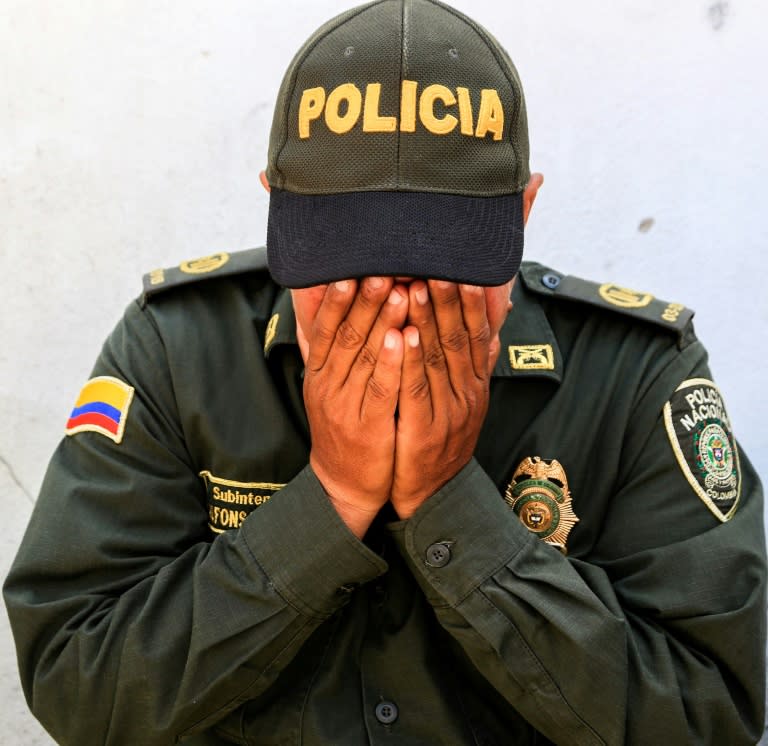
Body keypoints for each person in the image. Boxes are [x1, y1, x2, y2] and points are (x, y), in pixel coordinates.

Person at [4, 0, 766, 743]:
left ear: (523, 211)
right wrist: (330, 500)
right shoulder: (178, 349)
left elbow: (712, 713)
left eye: (447, 261)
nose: (398, 304)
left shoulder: (632, 373)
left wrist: (452, 510)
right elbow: (79, 686)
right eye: (349, 262)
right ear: (276, 206)